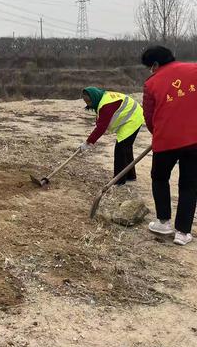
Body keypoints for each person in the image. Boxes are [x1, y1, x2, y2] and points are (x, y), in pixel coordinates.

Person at [141, 45, 197, 246]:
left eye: (150, 66)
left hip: (166, 141)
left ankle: (164, 222)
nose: (150, 70)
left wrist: (158, 133)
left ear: (155, 64)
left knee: (159, 178)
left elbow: (148, 116)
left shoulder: (151, 83)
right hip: (194, 140)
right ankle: (183, 233)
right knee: (189, 185)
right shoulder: (195, 69)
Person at [81, 87, 144, 185]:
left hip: (133, 119)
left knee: (120, 149)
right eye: (86, 102)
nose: (88, 104)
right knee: (126, 148)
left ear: (94, 97)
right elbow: (101, 120)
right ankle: (130, 176)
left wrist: (88, 142)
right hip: (134, 115)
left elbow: (101, 127)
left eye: (89, 101)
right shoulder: (103, 97)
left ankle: (119, 180)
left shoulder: (106, 104)